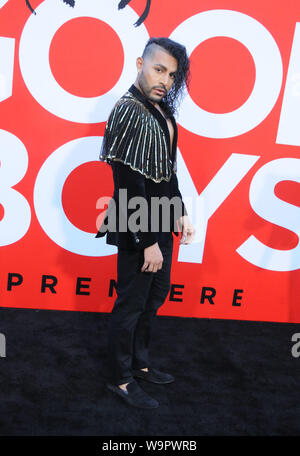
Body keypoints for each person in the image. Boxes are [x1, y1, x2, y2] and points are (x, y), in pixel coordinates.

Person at [96, 37, 195, 409]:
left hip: (161, 221)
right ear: (140, 63)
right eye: (158, 69)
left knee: (154, 298)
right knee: (131, 305)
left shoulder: (161, 111)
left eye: (172, 75)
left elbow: (166, 173)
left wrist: (180, 211)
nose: (165, 80)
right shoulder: (127, 110)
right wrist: (148, 240)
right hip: (140, 226)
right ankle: (119, 380)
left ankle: (138, 364)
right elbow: (127, 184)